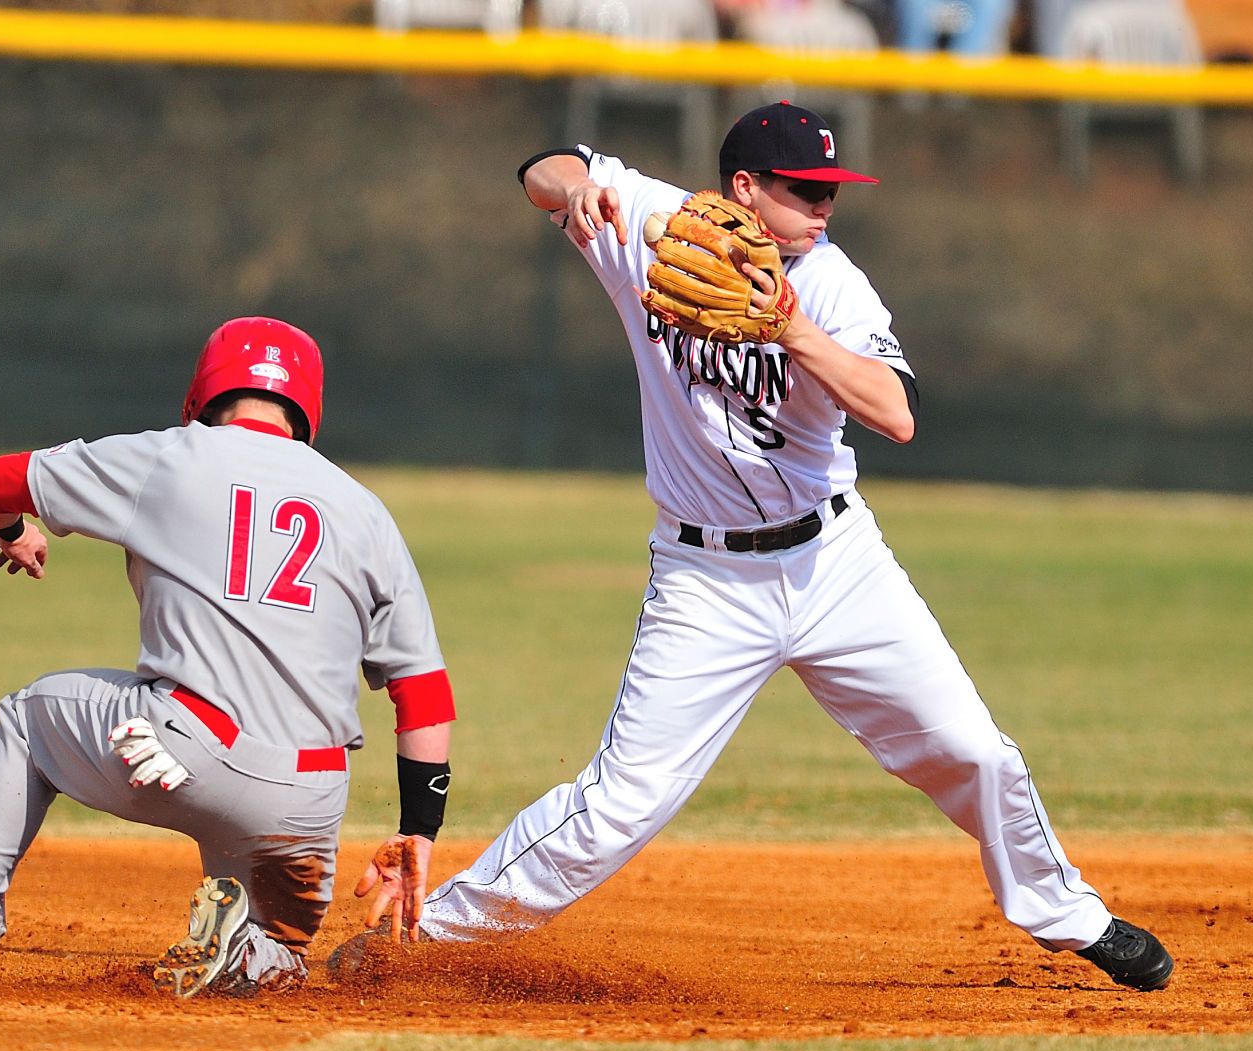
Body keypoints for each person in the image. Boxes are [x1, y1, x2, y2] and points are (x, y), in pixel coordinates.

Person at [363, 102, 1172, 991]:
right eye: (805, 190)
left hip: (835, 565)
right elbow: (543, 168)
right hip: (705, 578)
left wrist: (791, 329)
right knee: (620, 804)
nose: (824, 207)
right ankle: (422, 942)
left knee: (975, 752)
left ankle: (1072, 917)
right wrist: (580, 189)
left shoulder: (832, 285)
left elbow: (897, 414)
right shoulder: (660, 228)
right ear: (744, 187)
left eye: (832, 191)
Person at [0, 316, 457, 997]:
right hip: (308, 800)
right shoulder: (366, 512)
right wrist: (418, 831)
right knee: (275, 950)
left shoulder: (171, 456)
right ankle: (255, 952)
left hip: (184, 749)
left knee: (30, 718)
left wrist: (11, 530)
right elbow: (424, 691)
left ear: (202, 392)